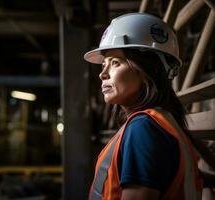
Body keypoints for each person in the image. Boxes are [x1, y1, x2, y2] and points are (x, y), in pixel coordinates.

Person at [84, 13, 203, 200]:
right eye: (103, 65)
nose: (103, 74)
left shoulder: (144, 129)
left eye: (115, 63)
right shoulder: (159, 123)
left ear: (147, 71)